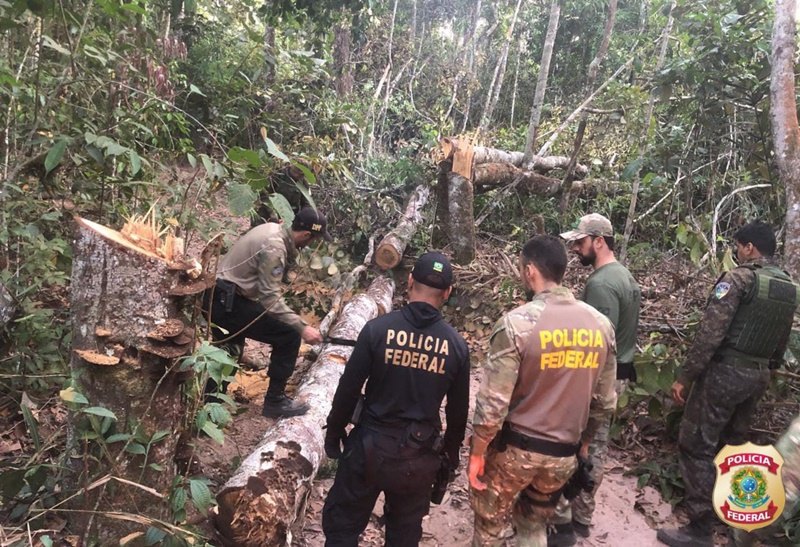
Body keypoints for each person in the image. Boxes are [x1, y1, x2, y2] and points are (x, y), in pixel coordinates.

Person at [469, 235, 617, 547]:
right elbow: (604, 402)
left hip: (515, 451)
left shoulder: (516, 324)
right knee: (534, 524)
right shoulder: (601, 326)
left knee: (490, 526)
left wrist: (478, 453)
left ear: (530, 271)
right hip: (564, 455)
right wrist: (585, 445)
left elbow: (492, 406)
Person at [657, 220, 799, 547]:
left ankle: (699, 527)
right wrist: (766, 370)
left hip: (726, 374)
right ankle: (735, 520)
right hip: (758, 376)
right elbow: (780, 340)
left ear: (749, 247)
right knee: (734, 447)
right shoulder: (788, 286)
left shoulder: (739, 279)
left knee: (696, 444)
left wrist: (686, 376)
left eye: (738, 246)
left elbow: (710, 334)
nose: (736, 252)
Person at [322, 252, 470, 547]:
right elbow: (457, 414)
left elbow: (348, 388)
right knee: (404, 536)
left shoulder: (377, 330)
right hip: (418, 459)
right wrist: (450, 457)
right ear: (448, 293)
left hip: (368, 449)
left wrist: (335, 431)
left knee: (342, 530)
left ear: (410, 281)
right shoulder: (456, 346)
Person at [549, 213, 641, 545]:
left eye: (580, 242)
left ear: (598, 241)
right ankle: (581, 514)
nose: (575, 249)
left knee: (586, 444)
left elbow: (599, 340)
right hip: (619, 372)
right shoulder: (625, 277)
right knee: (596, 442)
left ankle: (575, 516)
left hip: (601, 376)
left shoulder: (601, 283)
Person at [203, 206, 330, 418]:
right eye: (312, 240)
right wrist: (302, 327)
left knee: (228, 352)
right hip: (227, 302)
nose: (310, 245)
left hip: (222, 297)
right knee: (288, 334)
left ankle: (209, 410)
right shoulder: (275, 247)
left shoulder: (273, 228)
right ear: (307, 234)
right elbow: (269, 297)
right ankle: (275, 401)